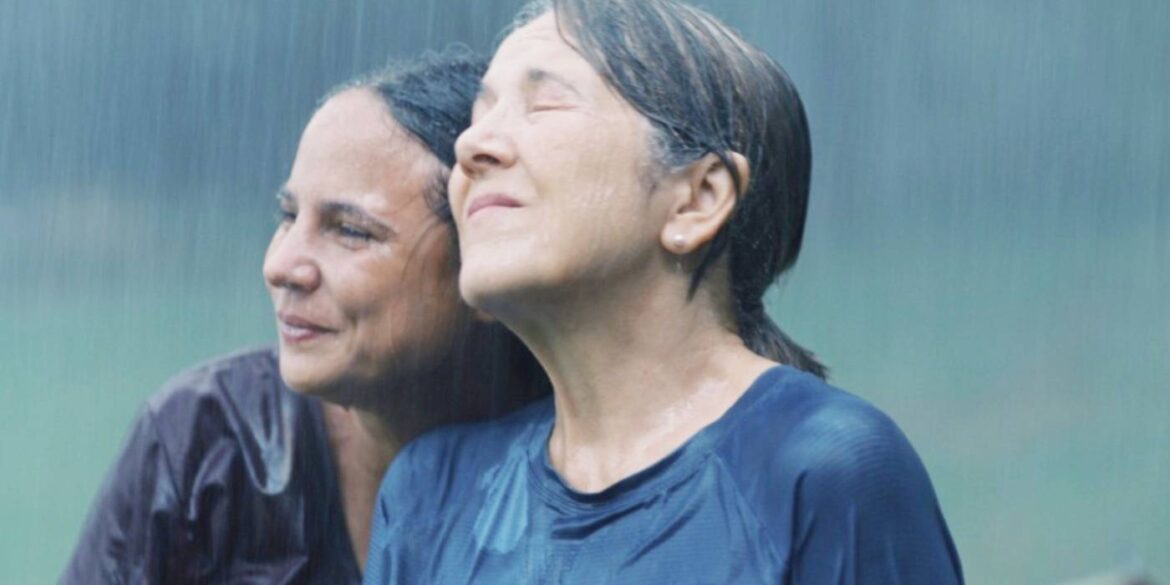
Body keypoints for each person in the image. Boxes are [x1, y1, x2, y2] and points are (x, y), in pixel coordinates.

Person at [365, 1, 964, 583]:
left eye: (544, 103)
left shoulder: (822, 472)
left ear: (697, 200)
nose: (471, 148)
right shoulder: (430, 497)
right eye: (479, 115)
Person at [60, 49, 547, 584]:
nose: (281, 266)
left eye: (350, 230)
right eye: (288, 216)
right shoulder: (206, 443)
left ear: (483, 264)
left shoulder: (585, 467)